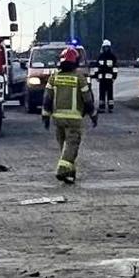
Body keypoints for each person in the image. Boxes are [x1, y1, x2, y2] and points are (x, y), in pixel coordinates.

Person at [44, 46, 97, 184]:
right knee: (72, 145)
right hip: (74, 119)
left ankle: (70, 172)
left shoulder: (54, 77)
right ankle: (62, 170)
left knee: (64, 146)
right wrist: (93, 114)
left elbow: (47, 99)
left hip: (58, 119)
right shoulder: (79, 77)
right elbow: (88, 99)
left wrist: (45, 116)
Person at [94, 40, 119, 112]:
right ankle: (102, 107)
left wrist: (114, 77)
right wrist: (96, 76)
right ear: (103, 47)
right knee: (101, 93)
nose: (106, 49)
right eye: (105, 47)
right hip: (102, 79)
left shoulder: (112, 57)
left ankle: (110, 107)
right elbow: (97, 67)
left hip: (109, 79)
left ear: (109, 47)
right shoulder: (100, 56)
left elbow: (115, 68)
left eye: (107, 47)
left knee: (110, 94)